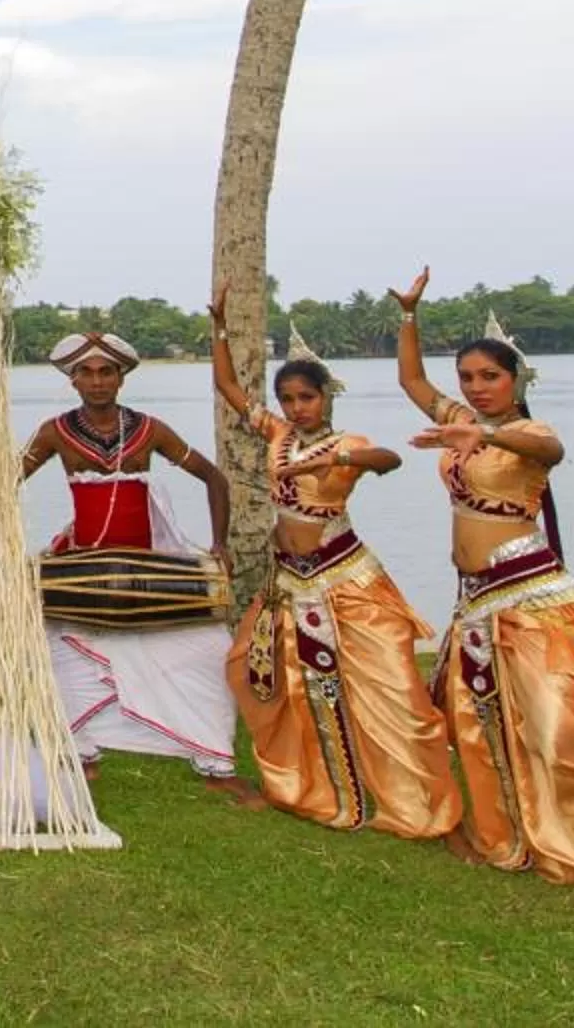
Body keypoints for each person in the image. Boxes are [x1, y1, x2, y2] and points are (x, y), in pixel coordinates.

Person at [395, 268, 574, 906]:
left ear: (516, 381)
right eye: (468, 377)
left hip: (531, 600)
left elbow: (550, 450)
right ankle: (500, 838)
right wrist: (410, 316)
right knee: (480, 728)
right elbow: (412, 382)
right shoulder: (460, 418)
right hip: (476, 602)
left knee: (557, 733)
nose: (476, 387)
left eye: (489, 377)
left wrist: (484, 433)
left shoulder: (527, 433)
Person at [212, 310, 459, 840]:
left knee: (390, 688)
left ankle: (418, 800)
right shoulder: (278, 435)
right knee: (256, 675)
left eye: (307, 397)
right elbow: (229, 387)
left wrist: (343, 459)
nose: (296, 408)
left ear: (327, 396)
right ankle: (305, 785)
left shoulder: (348, 443)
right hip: (287, 583)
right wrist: (221, 330)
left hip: (343, 577)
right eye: (288, 399)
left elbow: (388, 460)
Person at [18, 330, 244, 789]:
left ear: (121, 378)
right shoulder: (54, 432)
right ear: (73, 380)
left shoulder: (149, 429)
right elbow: (2, 484)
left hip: (149, 571)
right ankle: (83, 752)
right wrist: (5, 546)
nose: (97, 381)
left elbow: (214, 478)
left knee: (208, 652)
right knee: (65, 658)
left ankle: (212, 760)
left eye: (107, 372)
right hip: (83, 572)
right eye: (86, 373)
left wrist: (219, 545)